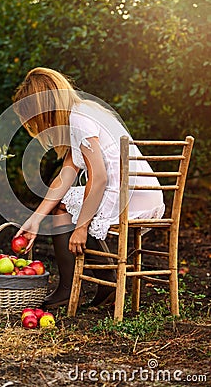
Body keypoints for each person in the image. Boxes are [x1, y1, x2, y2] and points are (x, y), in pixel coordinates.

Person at [13, 67, 165, 308]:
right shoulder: (84, 112)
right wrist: (35, 220)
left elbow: (100, 178)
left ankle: (70, 288)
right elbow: (66, 174)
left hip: (130, 195)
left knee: (64, 209)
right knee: (64, 205)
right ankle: (106, 282)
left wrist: (82, 227)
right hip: (141, 192)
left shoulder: (80, 120)